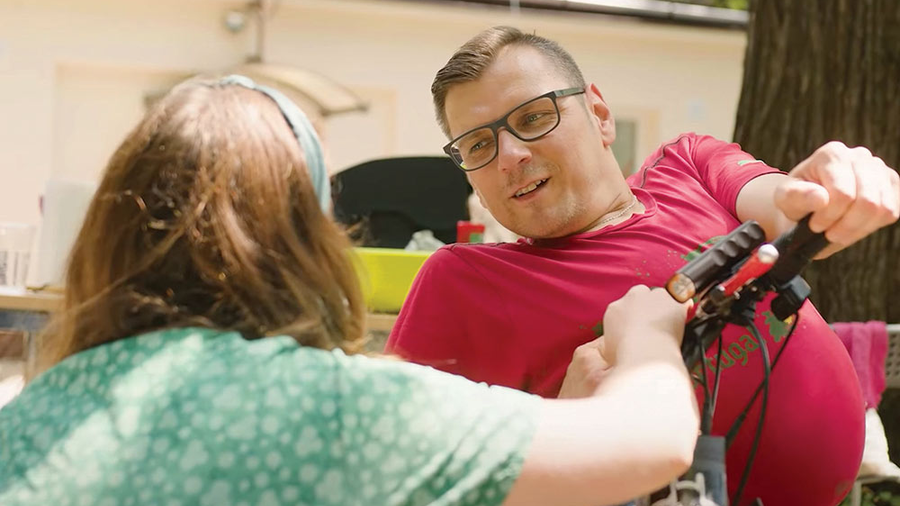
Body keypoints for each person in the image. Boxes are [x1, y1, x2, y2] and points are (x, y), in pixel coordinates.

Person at [0, 75, 700, 506]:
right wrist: (644, 342)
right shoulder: (340, 410)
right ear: (301, 235)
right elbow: (652, 441)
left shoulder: (25, 423)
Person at [386, 26, 900, 506]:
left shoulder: (689, 165)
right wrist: (563, 425)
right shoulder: (461, 281)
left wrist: (828, 191)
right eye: (477, 144)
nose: (508, 155)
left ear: (600, 115)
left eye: (534, 117)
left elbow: (789, 209)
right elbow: (404, 480)